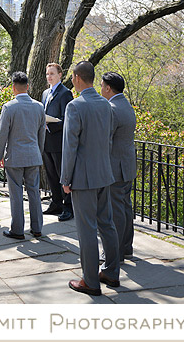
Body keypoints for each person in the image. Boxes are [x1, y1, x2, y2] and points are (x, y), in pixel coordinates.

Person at [61, 61, 119, 296]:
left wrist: (65, 178)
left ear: (76, 77)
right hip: (104, 173)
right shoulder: (106, 105)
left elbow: (69, 146)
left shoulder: (75, 106)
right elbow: (109, 140)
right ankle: (112, 273)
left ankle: (90, 281)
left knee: (86, 229)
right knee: (107, 224)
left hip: (83, 178)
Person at [0, 71, 46, 240]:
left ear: (13, 88)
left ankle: (17, 230)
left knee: (16, 193)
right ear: (28, 87)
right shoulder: (39, 106)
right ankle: (37, 228)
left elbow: (2, 133)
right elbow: (41, 134)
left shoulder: (9, 107)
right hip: (33, 155)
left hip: (15, 157)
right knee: (34, 192)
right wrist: (38, 152)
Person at [101, 72, 137, 261]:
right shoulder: (127, 106)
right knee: (125, 208)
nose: (100, 89)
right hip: (127, 164)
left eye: (101, 86)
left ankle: (115, 252)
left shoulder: (112, 108)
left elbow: (107, 140)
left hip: (116, 167)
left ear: (108, 88)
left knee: (115, 211)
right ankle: (126, 247)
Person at [41, 63, 74, 221]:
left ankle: (68, 207)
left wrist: (51, 124)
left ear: (60, 74)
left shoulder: (65, 93)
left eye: (52, 74)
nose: (49, 77)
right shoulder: (45, 93)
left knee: (63, 175)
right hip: (46, 140)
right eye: (47, 74)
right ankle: (56, 203)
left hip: (59, 140)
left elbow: (67, 119)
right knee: (51, 174)